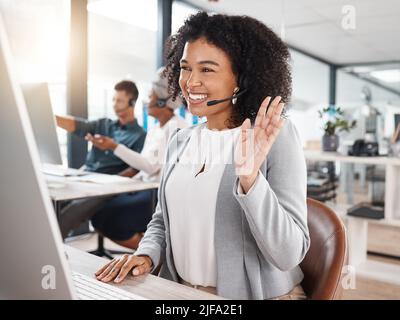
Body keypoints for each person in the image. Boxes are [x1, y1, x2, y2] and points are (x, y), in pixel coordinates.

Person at [95, 12, 310, 300]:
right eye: (185, 68)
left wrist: (250, 180)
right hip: (179, 292)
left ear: (241, 78)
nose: (190, 82)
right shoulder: (181, 140)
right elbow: (162, 221)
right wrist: (146, 255)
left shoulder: (275, 137)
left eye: (207, 70)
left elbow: (288, 253)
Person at [84, 67, 187, 249]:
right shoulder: (156, 129)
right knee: (99, 213)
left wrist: (114, 146)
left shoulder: (176, 128)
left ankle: (156, 257)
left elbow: (150, 167)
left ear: (164, 102)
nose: (147, 101)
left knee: (113, 219)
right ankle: (151, 249)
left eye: (151, 96)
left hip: (158, 196)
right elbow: (144, 168)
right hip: (143, 189)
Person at [56, 80, 146, 176]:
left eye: (119, 101)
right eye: (113, 100)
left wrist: (109, 184)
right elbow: (76, 125)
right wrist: (49, 117)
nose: (114, 104)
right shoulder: (103, 124)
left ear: (132, 103)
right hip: (84, 175)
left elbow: (135, 170)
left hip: (107, 184)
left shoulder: (140, 136)